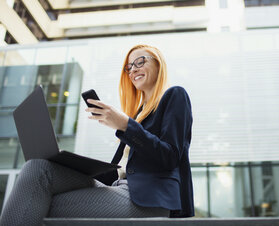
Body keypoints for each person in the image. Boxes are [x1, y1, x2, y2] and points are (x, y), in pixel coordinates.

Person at [0, 44, 194, 226]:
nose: (133, 69)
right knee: (38, 168)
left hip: (148, 200)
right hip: (118, 188)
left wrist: (126, 125)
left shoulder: (174, 95)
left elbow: (169, 157)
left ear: (158, 64)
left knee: (42, 201)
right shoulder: (138, 115)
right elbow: (118, 172)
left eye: (140, 62)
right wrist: (71, 163)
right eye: (129, 67)